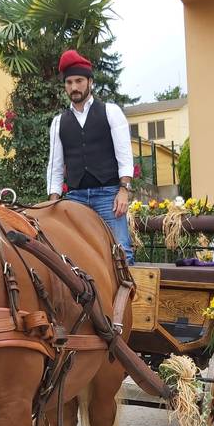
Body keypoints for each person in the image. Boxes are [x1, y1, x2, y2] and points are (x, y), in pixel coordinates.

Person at [46, 49, 135, 264]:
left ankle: (130, 298)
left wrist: (124, 190)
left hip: (108, 195)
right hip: (75, 197)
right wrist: (53, 201)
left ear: (90, 82)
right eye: (69, 82)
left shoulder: (110, 112)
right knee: (75, 255)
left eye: (79, 81)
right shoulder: (59, 122)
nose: (74, 87)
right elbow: (55, 165)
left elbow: (124, 154)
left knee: (122, 251)